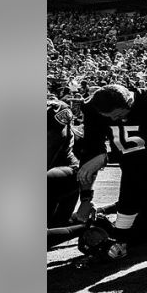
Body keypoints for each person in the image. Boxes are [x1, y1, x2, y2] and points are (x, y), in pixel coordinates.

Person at [75, 84, 147, 248]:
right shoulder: (93, 107)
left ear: (130, 102)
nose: (113, 120)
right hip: (135, 173)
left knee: (136, 166)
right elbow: (91, 151)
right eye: (108, 116)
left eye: (118, 114)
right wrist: (85, 198)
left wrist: (106, 158)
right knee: (138, 237)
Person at [48, 98, 92, 244]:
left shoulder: (54, 112)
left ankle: (86, 226)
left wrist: (86, 199)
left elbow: (87, 167)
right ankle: (84, 223)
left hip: (63, 176)